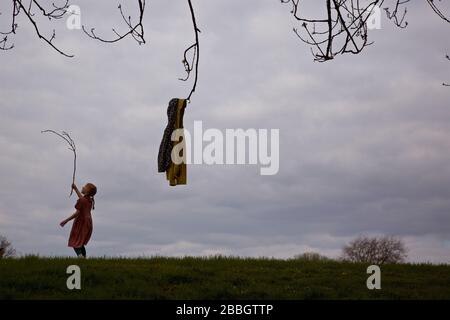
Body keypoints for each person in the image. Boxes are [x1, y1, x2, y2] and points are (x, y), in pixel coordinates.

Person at [60, 182, 97, 258]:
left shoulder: (82, 201)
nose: (83, 187)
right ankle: (84, 258)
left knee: (75, 241)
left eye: (85, 187)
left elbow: (77, 213)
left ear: (87, 191)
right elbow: (82, 198)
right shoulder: (89, 200)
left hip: (81, 222)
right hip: (88, 223)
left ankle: (80, 257)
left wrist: (66, 220)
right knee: (81, 242)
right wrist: (75, 188)